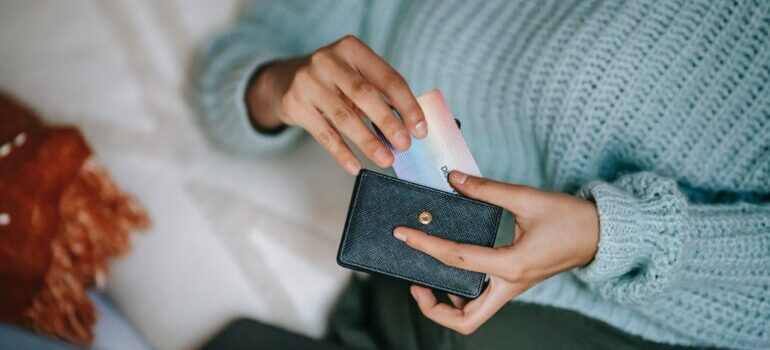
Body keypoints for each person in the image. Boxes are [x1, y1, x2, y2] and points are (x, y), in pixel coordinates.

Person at [193, 1, 770, 349]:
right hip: (403, 311)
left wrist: (615, 233)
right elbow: (234, 69)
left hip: (634, 326)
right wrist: (282, 83)